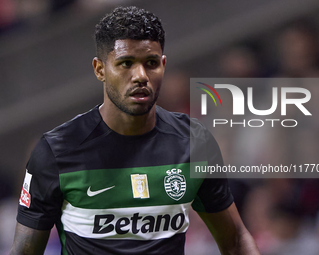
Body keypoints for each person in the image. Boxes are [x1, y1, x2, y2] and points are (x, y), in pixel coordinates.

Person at [10, 6, 260, 255]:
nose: (140, 75)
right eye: (126, 63)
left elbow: (236, 240)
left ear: (163, 65)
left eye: (151, 63)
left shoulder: (194, 142)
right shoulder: (56, 151)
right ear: (100, 69)